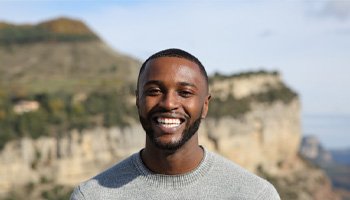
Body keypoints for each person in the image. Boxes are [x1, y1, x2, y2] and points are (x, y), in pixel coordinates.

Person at [70, 48, 281, 200]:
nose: (169, 103)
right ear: (138, 100)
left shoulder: (254, 194)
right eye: (154, 91)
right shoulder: (92, 195)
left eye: (185, 93)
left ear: (205, 105)